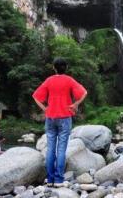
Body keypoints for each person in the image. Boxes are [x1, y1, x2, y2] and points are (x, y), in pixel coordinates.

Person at [32, 58, 88, 188]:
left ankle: (50, 179)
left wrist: (45, 109)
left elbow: (35, 96)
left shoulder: (49, 80)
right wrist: (75, 104)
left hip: (50, 117)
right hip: (65, 117)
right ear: (66, 68)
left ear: (54, 68)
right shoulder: (69, 80)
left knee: (51, 149)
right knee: (61, 149)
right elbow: (84, 92)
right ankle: (58, 180)